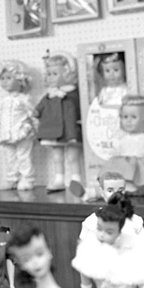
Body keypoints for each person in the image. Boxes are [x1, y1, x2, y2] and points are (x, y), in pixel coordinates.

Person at [34, 51, 83, 193]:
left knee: (73, 156)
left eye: (54, 73)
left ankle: (76, 179)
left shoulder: (71, 94)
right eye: (49, 74)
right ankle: (59, 179)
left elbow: (74, 112)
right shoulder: (50, 95)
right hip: (53, 131)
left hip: (70, 131)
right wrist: (35, 112)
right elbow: (40, 107)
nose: (50, 77)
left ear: (67, 74)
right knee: (57, 157)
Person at [0, 60, 37, 191]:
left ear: (21, 80)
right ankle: (12, 178)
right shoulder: (3, 101)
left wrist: (31, 127)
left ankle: (27, 179)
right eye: (2, 78)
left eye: (9, 78)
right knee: (10, 157)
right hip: (6, 133)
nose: (4, 81)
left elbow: (32, 114)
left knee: (24, 156)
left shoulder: (24, 99)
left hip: (21, 132)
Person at [77, 170, 144, 239]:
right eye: (110, 190)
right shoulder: (91, 221)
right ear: (102, 192)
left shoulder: (136, 221)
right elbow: (84, 247)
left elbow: (143, 246)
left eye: (120, 190)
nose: (116, 194)